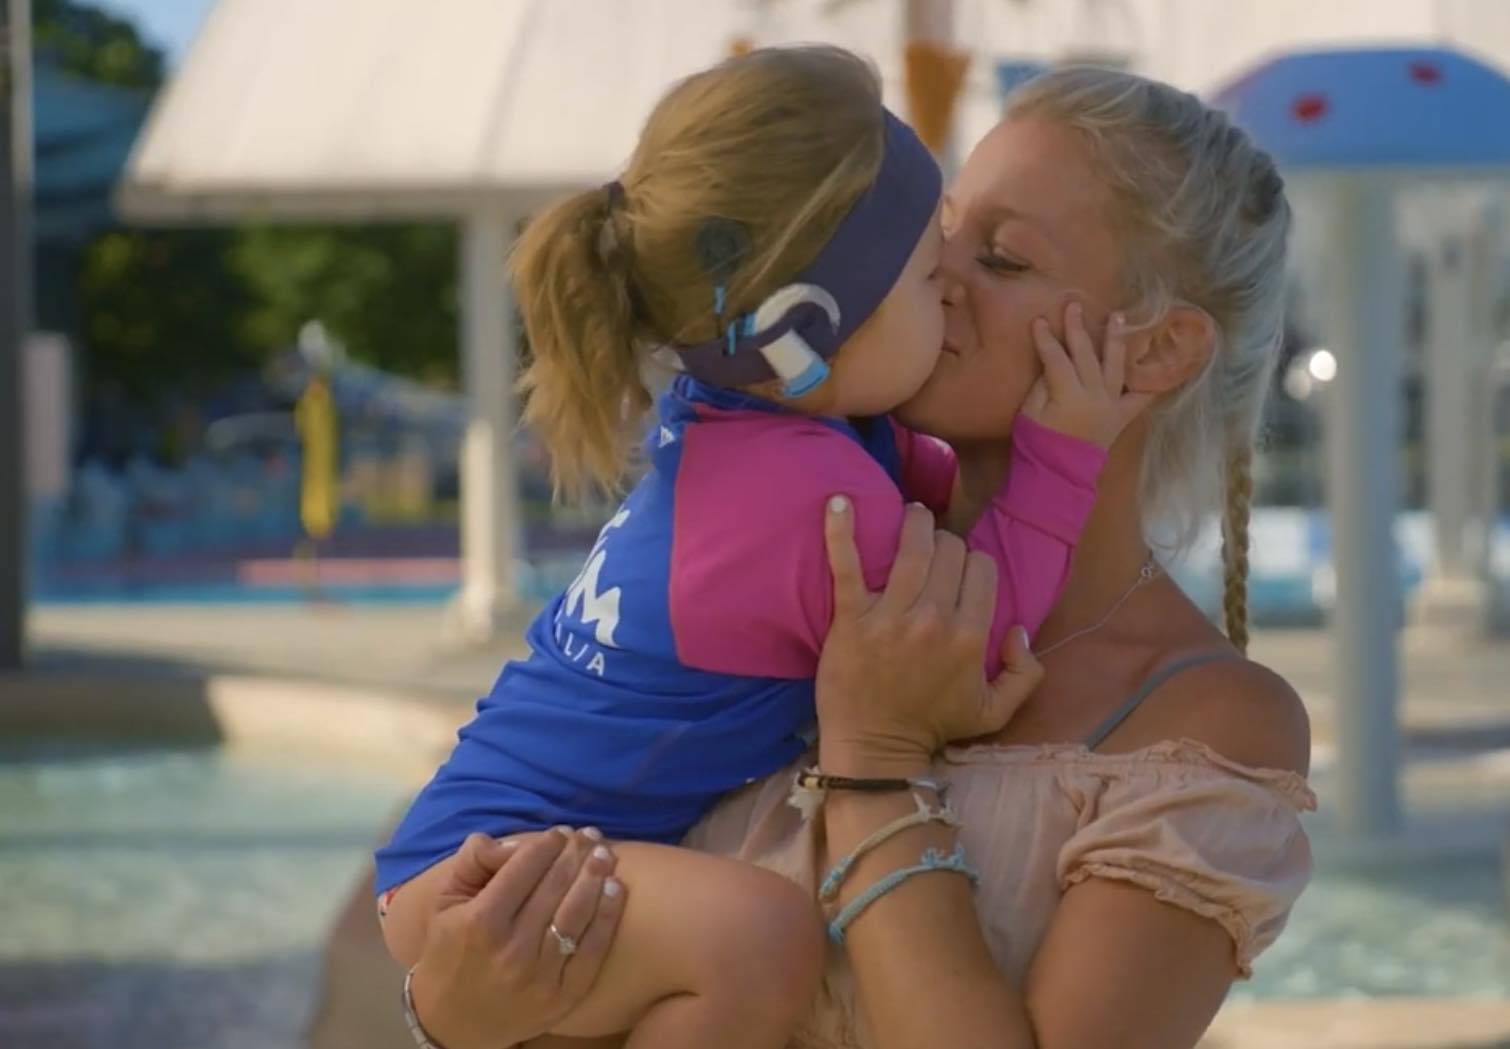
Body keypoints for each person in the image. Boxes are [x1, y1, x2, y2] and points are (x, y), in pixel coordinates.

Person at [392, 62, 1315, 1049]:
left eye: (1001, 260)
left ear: (1157, 349)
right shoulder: (810, 539)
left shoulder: (1201, 726)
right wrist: (449, 1016)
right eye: (942, 231)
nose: (933, 273)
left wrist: (874, 761)